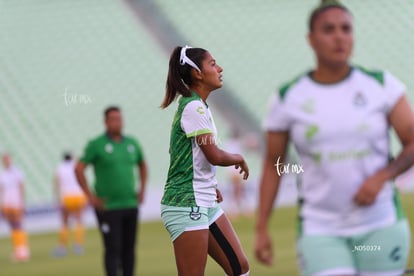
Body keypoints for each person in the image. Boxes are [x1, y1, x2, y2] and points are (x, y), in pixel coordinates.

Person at [255, 1, 413, 275]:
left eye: (346, 29)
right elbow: (274, 164)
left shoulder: (381, 85)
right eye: (329, 29)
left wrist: (381, 177)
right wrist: (261, 228)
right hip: (321, 231)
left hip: (380, 226)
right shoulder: (288, 97)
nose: (339, 36)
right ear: (311, 39)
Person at [160, 45, 250, 276]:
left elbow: (180, 153)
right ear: (197, 73)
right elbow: (214, 155)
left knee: (239, 267)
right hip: (186, 203)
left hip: (203, 198)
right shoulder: (193, 107)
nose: (219, 68)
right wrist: (238, 157)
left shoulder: (197, 106)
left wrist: (208, 183)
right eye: (212, 64)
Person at [75, 106, 148, 276]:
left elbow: (142, 165)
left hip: (130, 203)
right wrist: (90, 197)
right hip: (108, 207)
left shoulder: (132, 143)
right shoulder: (96, 145)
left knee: (129, 249)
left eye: (119, 119)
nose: (117, 122)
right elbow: (79, 169)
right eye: (113, 119)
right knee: (113, 248)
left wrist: (142, 189)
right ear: (106, 122)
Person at [52, 152, 87, 257]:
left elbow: (57, 183)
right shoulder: (76, 165)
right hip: (79, 195)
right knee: (79, 220)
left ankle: (62, 247)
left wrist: (57, 198)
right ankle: (78, 245)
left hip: (67, 197)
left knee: (65, 222)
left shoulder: (60, 168)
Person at [0, 153, 30, 262]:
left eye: (7, 159)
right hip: (7, 203)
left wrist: (22, 202)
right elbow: (2, 191)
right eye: (4, 159)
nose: (6, 161)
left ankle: (23, 250)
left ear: (10, 160)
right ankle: (18, 250)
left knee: (18, 225)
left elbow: (21, 187)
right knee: (12, 226)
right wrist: (2, 205)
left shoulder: (17, 172)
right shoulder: (2, 174)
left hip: (16, 202)